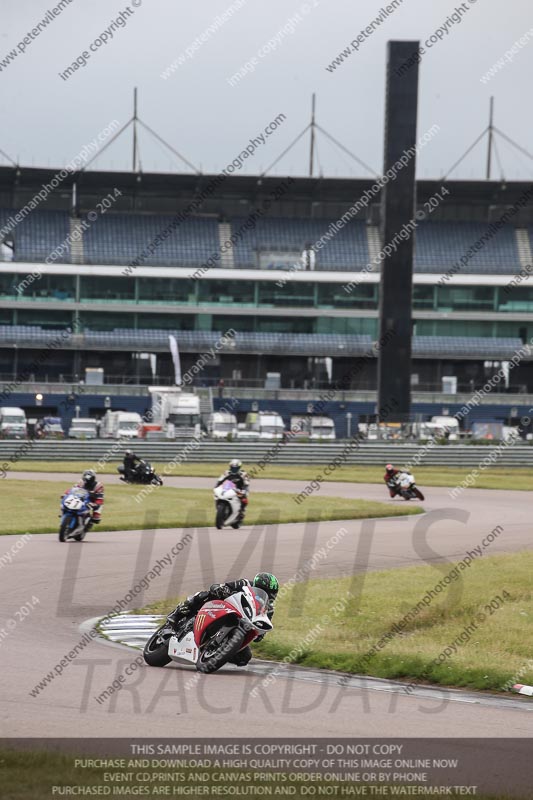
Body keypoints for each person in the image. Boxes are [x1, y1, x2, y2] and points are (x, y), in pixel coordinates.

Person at [167, 573, 279, 666]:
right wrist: (222, 589)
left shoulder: (268, 610)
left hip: (241, 625)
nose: (269, 596)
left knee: (244, 658)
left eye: (272, 594)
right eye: (266, 591)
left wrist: (260, 633)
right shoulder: (245, 584)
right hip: (224, 607)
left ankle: (217, 653)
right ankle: (177, 613)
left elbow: (260, 633)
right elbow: (223, 586)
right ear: (256, 586)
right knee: (206, 594)